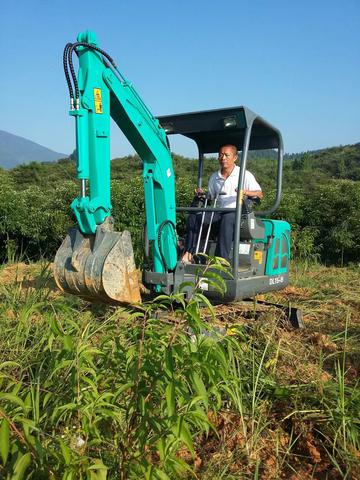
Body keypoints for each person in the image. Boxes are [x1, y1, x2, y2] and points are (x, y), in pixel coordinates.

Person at [182, 144, 263, 263]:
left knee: (228, 218)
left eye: (226, 155)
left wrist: (244, 192)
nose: (223, 157)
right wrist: (202, 194)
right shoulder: (215, 177)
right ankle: (189, 252)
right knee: (195, 217)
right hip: (218, 211)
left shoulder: (244, 174)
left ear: (234, 157)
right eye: (220, 155)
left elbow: (260, 193)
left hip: (237, 213)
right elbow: (211, 196)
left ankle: (221, 260)